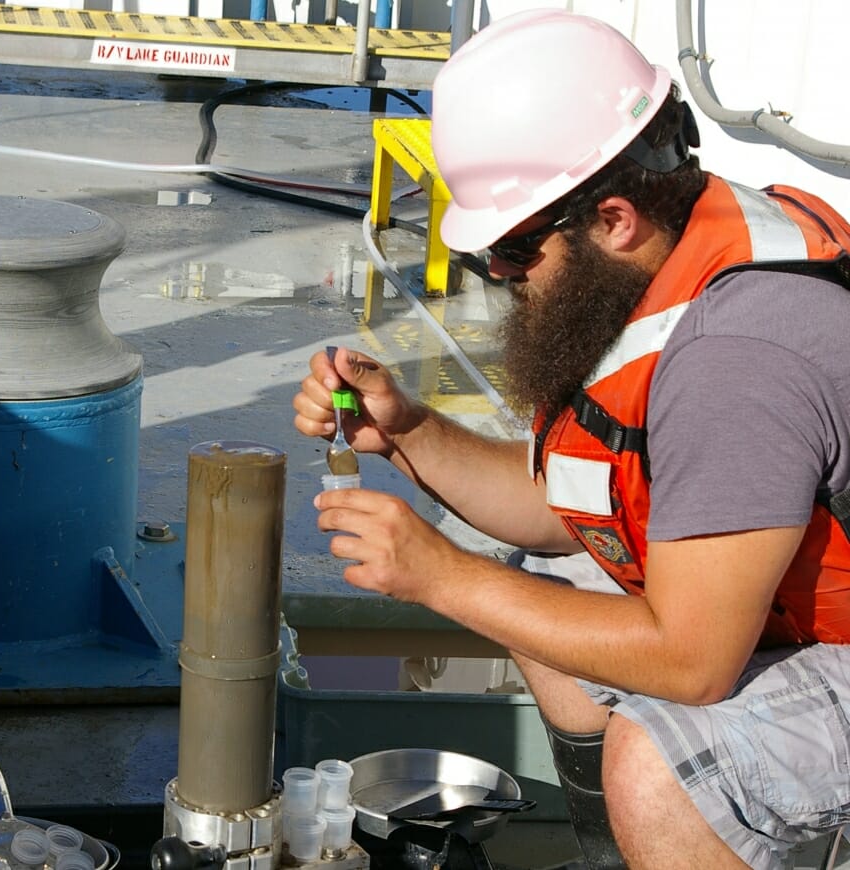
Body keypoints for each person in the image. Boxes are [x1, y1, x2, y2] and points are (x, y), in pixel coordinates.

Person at [292, 9, 850, 870]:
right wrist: (408, 434)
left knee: (659, 764)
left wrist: (443, 576)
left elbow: (693, 661)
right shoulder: (664, 267)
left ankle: (661, 830)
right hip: (787, 596)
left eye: (514, 251)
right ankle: (617, 855)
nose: (504, 278)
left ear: (614, 218)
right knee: (547, 585)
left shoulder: (735, 361)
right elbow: (573, 510)